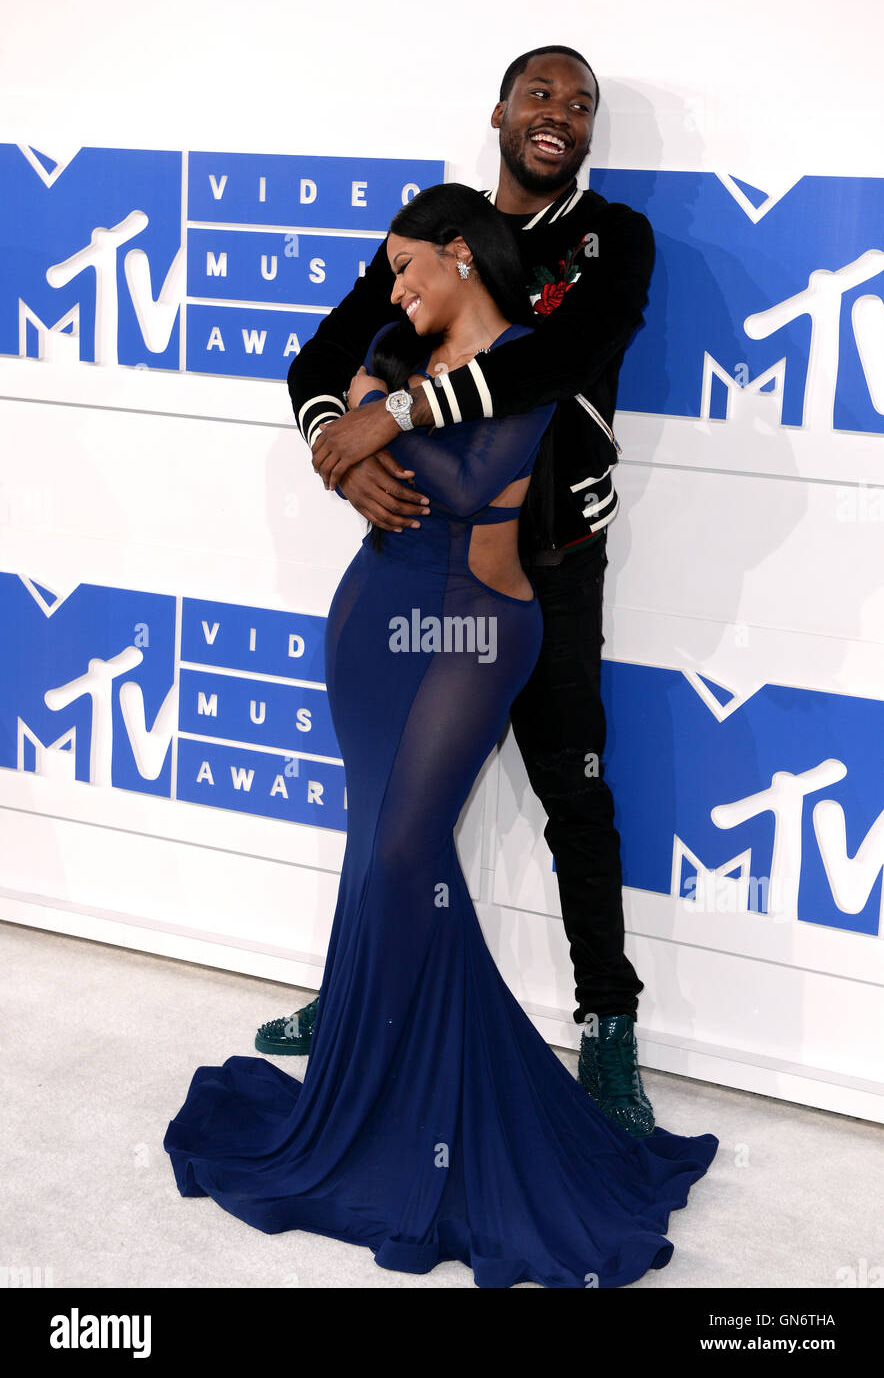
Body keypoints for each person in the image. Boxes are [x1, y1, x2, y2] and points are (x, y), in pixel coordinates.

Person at [164, 183, 717, 1289]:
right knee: (379, 851)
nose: (395, 286)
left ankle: (449, 1099)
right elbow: (342, 423)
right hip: (372, 619)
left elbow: (467, 480)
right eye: (391, 274)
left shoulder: (527, 355)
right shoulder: (386, 339)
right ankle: (371, 1088)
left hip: (476, 627)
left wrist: (388, 415)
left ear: (462, 258)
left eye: (410, 268)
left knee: (412, 854)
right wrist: (349, 427)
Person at [258, 45, 657, 1138]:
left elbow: (567, 355)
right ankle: (356, 991)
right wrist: (342, 442)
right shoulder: (433, 232)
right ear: (499, 111)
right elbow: (320, 362)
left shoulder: (610, 239)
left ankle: (609, 1031)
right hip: (412, 573)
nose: (561, 115)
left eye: (580, 105)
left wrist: (402, 413)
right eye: (542, 94)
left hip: (546, 579)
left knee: (575, 796)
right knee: (389, 802)